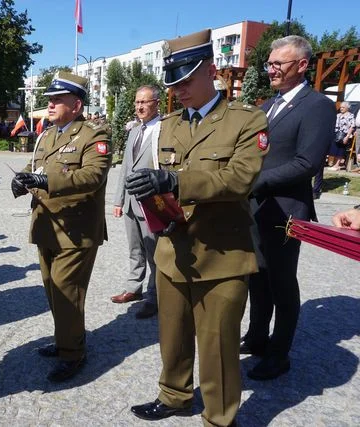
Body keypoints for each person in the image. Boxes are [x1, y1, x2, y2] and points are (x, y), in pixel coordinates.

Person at [126, 29, 268, 426]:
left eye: (187, 80)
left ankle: (219, 416)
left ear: (212, 70)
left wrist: (176, 182)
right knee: (172, 336)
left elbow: (241, 179)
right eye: (173, 83)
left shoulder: (246, 119)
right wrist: (151, 189)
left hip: (222, 253)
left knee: (218, 345)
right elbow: (164, 177)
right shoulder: (169, 125)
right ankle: (173, 395)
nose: (180, 90)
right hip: (174, 250)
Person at [242, 35, 336, 381]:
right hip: (257, 206)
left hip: (286, 211)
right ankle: (256, 336)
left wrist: (257, 182)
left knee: (282, 282)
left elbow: (307, 162)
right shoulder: (268, 106)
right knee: (257, 276)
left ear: (301, 65)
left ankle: (279, 353)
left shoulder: (317, 106)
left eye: (278, 64)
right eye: (269, 64)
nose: (271, 70)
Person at [11, 71, 112, 382]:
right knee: (53, 291)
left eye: (57, 100)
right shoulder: (48, 135)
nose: (50, 105)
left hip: (75, 230)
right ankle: (65, 339)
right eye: (50, 100)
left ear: (77, 104)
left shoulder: (94, 135)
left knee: (67, 292)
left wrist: (45, 181)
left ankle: (73, 354)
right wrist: (22, 178)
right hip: (46, 227)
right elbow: (35, 166)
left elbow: (93, 177)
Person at [110, 85, 161, 319]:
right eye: (137, 102)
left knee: (154, 252)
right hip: (130, 202)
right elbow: (125, 169)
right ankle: (133, 287)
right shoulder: (133, 131)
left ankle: (155, 296)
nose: (140, 106)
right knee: (134, 249)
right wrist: (118, 199)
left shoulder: (164, 129)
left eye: (145, 102)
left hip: (151, 203)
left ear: (156, 103)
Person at [327, 101, 355, 170]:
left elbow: (352, 126)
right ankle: (333, 164)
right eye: (340, 107)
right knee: (334, 149)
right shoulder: (338, 115)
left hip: (344, 134)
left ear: (347, 108)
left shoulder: (350, 116)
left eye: (343, 107)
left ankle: (337, 165)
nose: (341, 109)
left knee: (340, 149)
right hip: (336, 134)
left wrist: (347, 136)